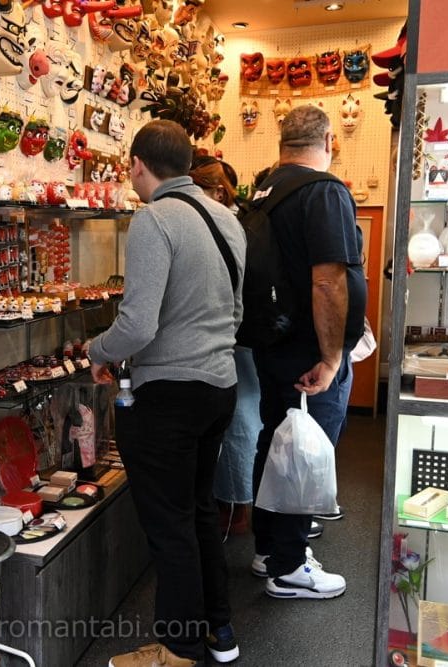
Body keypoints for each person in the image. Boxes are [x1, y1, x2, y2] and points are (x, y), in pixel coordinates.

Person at [90, 120, 245, 667]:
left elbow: (137, 326)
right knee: (200, 511)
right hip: (219, 387)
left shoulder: (154, 219)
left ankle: (177, 650)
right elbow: (236, 312)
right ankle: (217, 631)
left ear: (137, 164)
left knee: (170, 525)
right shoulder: (227, 219)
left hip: (168, 398)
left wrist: (95, 351)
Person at [248, 105, 366, 599]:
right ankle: (290, 567)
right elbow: (328, 281)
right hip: (308, 353)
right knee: (303, 451)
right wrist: (333, 356)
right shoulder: (324, 191)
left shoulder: (263, 190)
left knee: (275, 442)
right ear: (330, 139)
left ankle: (268, 549)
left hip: (272, 342)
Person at [188, 155, 252, 536]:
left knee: (238, 428)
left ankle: (233, 511)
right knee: (236, 426)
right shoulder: (235, 224)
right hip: (230, 347)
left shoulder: (225, 223)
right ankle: (231, 509)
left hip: (222, 352)